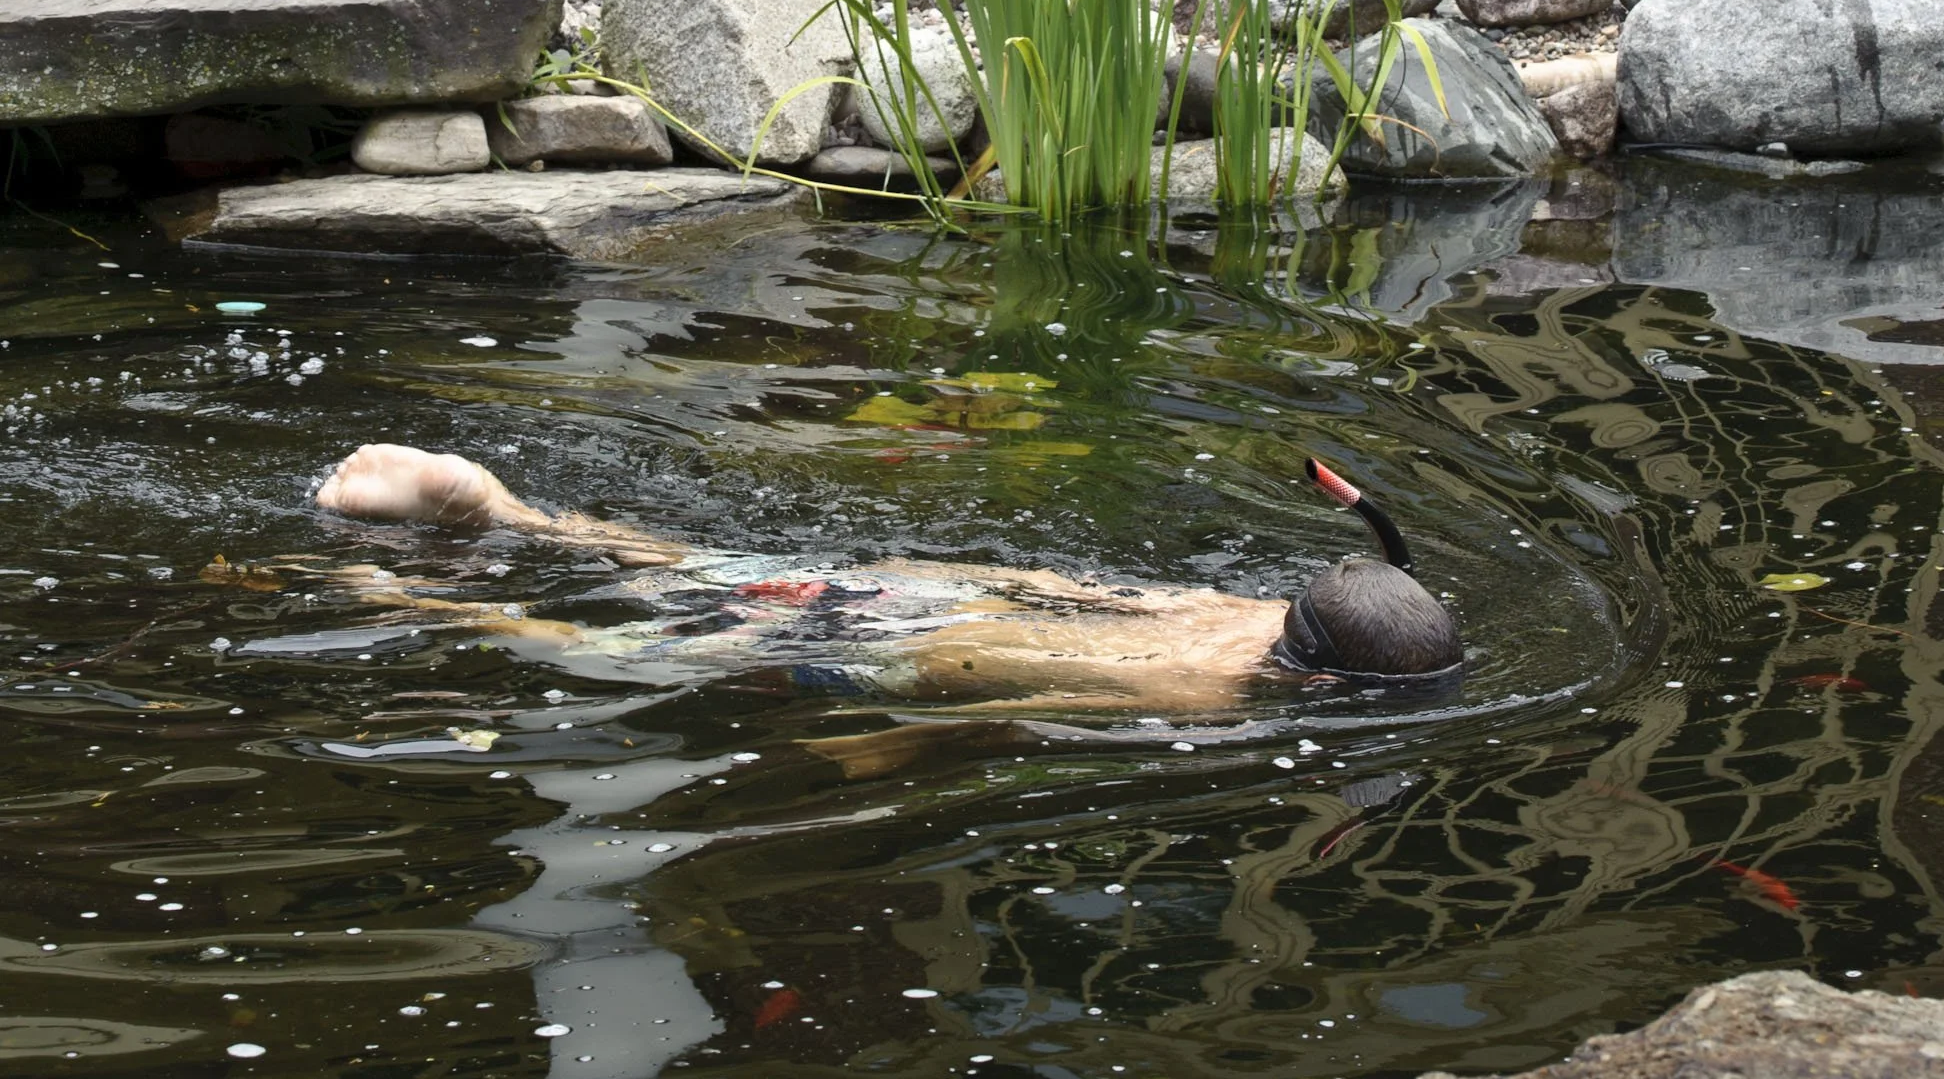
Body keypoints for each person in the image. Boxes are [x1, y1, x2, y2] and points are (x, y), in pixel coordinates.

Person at [310, 442, 1463, 717]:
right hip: (874, 639)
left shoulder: (1228, 607)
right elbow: (1015, 692)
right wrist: (892, 732)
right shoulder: (1207, 693)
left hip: (900, 582)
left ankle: (509, 509)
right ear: (1321, 680)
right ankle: (416, 599)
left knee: (680, 565)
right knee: (603, 651)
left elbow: (1036, 587)